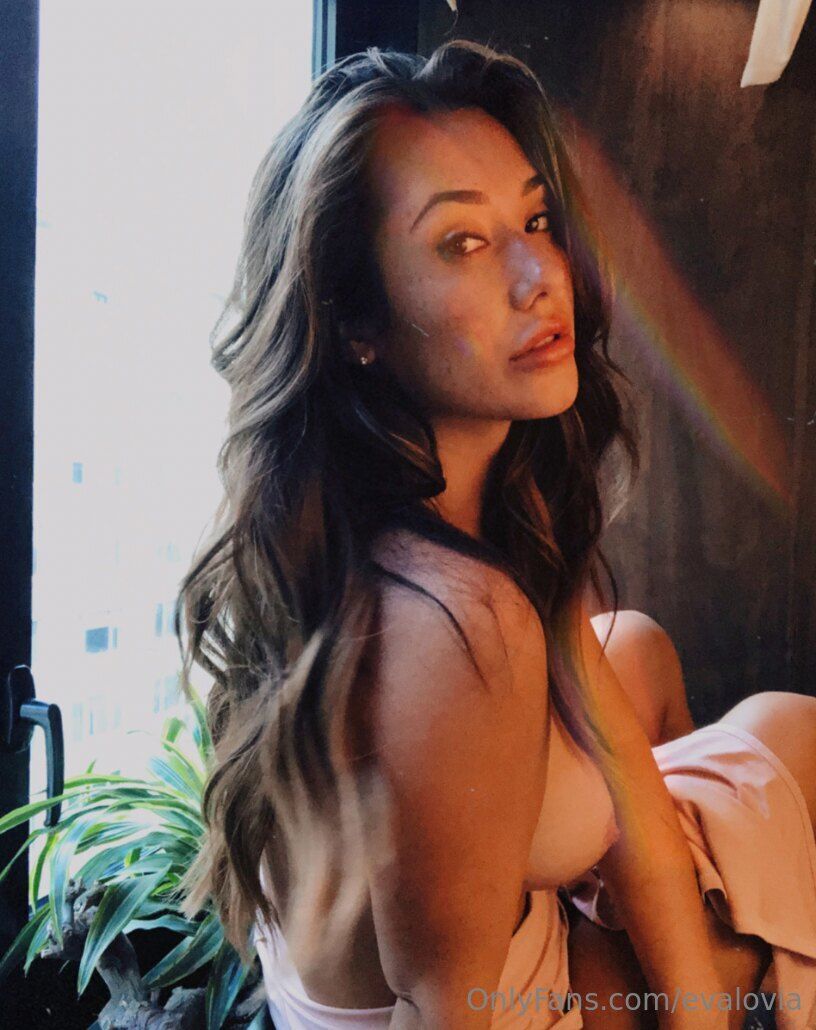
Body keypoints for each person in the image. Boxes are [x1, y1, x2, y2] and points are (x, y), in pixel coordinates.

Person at [175, 40, 816, 1029]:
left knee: (636, 648)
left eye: (536, 220)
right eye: (462, 242)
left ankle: (688, 914)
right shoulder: (456, 622)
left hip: (522, 931)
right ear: (356, 322)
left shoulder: (398, 526)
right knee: (790, 730)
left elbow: (629, 785)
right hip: (532, 1003)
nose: (539, 275)